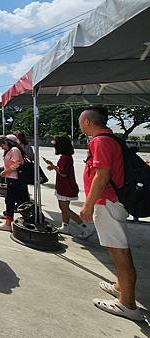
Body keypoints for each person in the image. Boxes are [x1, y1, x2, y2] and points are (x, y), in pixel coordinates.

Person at [78, 106, 143, 321]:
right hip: (110, 201)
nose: (80, 124)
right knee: (118, 249)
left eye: (81, 120)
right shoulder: (109, 139)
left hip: (107, 202)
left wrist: (88, 204)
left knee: (119, 252)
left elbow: (102, 175)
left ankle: (127, 304)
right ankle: (120, 287)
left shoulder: (100, 141)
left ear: (88, 122)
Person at [43, 136, 94, 239]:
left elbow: (63, 173)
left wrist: (53, 167)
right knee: (64, 208)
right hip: (65, 186)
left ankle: (85, 227)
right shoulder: (66, 157)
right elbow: (62, 171)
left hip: (65, 187)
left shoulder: (65, 158)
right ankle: (65, 226)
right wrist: (53, 166)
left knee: (65, 209)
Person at [0, 134, 27, 231]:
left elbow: (17, 163)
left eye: (2, 145)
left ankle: (8, 223)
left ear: (6, 142)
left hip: (15, 179)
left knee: (11, 201)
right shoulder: (11, 150)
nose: (2, 148)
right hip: (12, 178)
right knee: (14, 200)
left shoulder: (14, 150)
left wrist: (6, 171)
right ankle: (10, 219)